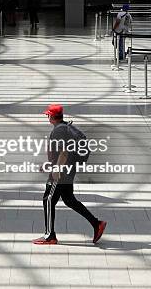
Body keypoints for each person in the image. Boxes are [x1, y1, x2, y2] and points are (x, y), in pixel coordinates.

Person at [33, 104, 107, 245]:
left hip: (61, 172)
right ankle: (97, 224)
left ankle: (50, 236)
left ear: (51, 117)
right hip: (68, 169)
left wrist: (56, 170)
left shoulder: (58, 131)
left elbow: (64, 152)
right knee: (69, 199)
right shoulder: (65, 127)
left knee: (48, 199)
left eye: (48, 115)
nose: (47, 117)